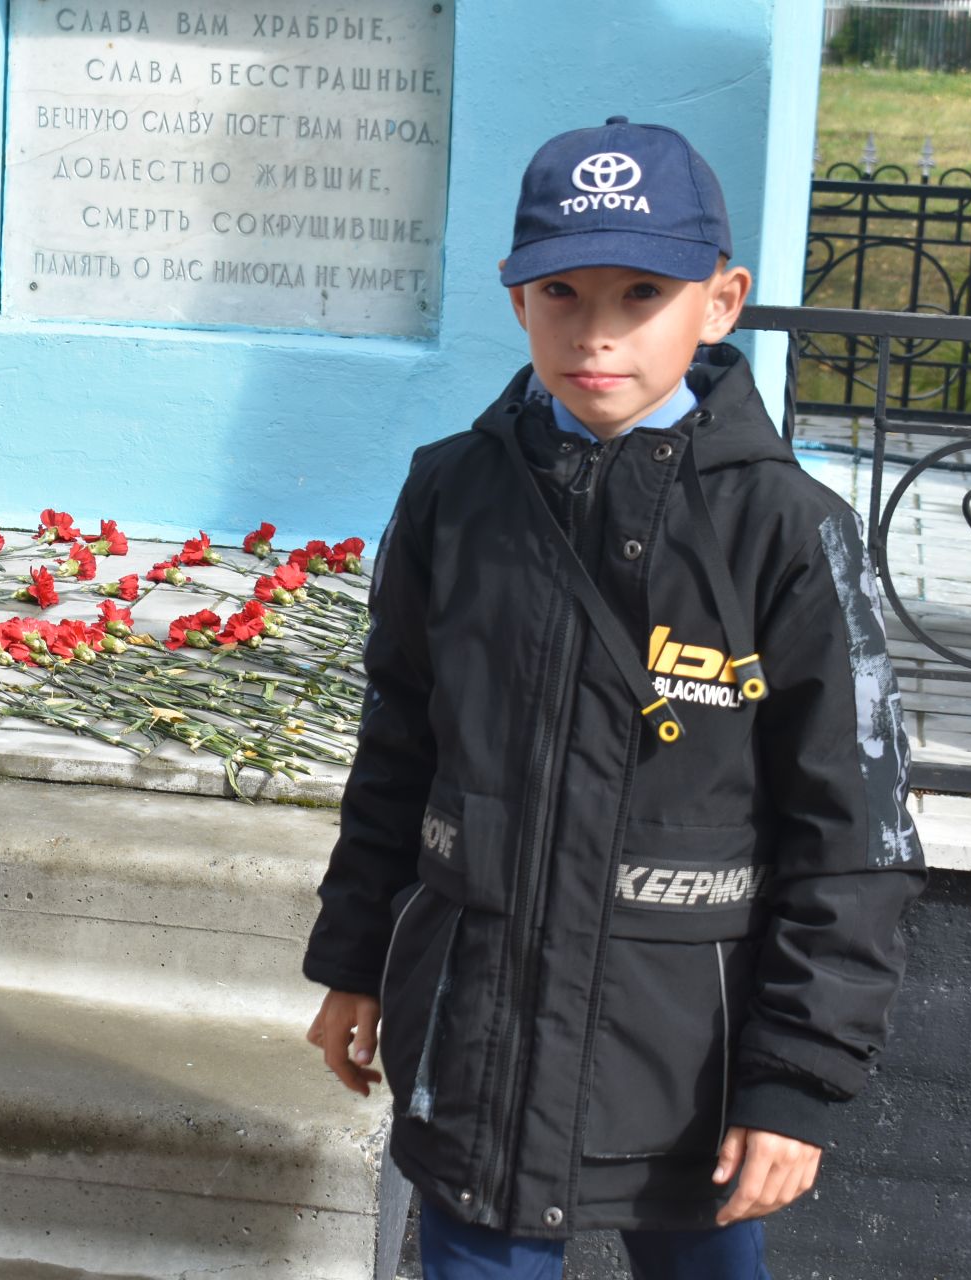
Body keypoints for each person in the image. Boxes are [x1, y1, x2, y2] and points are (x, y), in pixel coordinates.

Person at [301, 116, 928, 1279]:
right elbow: (396, 746)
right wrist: (354, 957)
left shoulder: (786, 533)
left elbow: (857, 831)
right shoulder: (450, 494)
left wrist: (793, 1077)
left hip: (687, 1056)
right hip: (475, 1042)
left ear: (721, 300)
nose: (596, 334)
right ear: (517, 299)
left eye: (642, 292)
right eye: (560, 293)